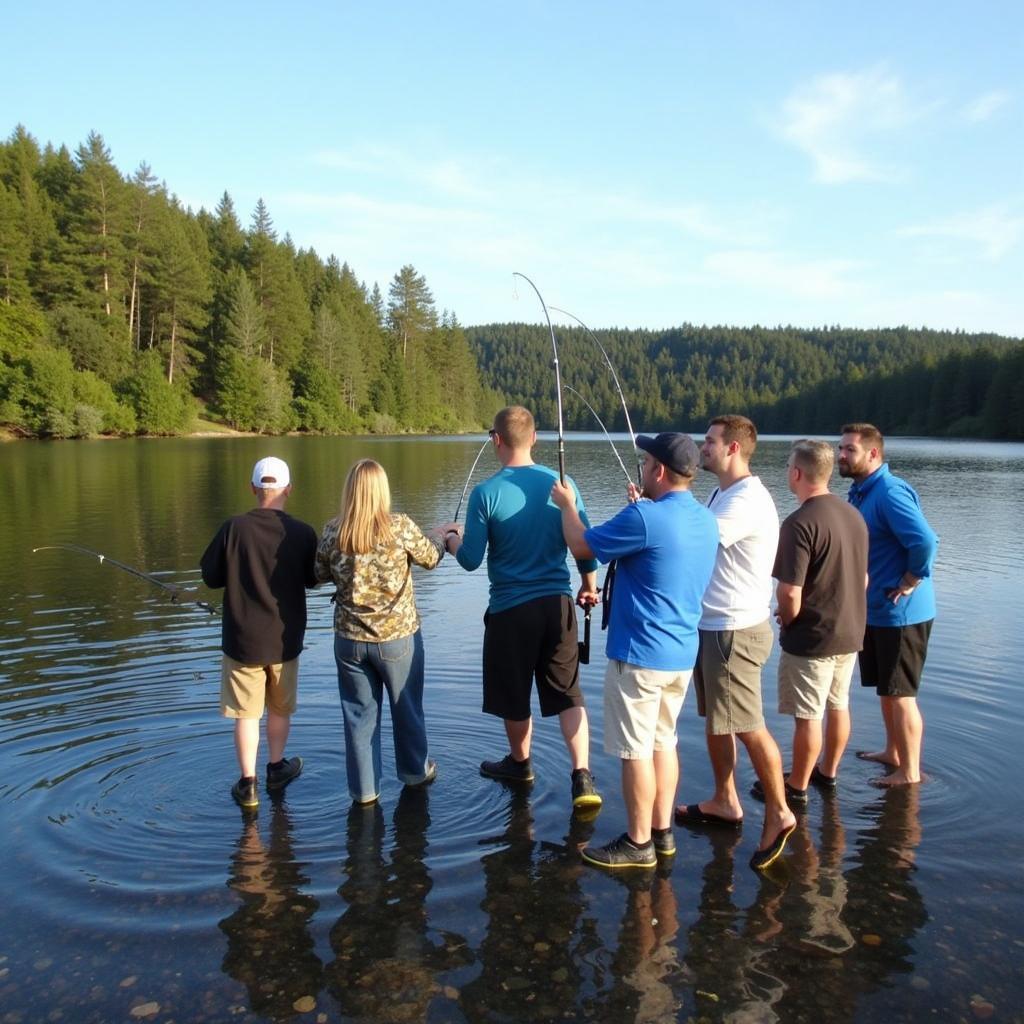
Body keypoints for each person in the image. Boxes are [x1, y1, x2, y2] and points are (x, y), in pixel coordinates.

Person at [552, 433, 718, 868]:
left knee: (636, 752)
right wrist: (641, 508)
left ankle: (638, 842)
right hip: (681, 654)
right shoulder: (704, 519)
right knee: (665, 742)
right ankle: (662, 834)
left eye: (646, 462)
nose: (643, 468)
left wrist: (568, 505)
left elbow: (583, 544)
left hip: (640, 656)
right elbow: (655, 550)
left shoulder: (646, 519)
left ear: (659, 471)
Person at [439, 405, 602, 810]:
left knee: (514, 695)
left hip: (511, 612)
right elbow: (583, 546)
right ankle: (582, 774)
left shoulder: (485, 493)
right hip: (557, 607)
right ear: (535, 437)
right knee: (568, 693)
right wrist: (588, 586)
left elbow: (471, 559)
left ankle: (520, 763)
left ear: (496, 440)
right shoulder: (564, 485)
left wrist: (450, 539)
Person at [674, 415, 797, 871]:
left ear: (732, 449)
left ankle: (781, 812)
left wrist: (659, 508)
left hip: (733, 630)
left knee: (747, 724)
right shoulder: (720, 492)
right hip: (713, 626)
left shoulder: (745, 500)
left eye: (709, 442)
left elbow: (694, 540)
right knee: (719, 721)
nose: (701, 448)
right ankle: (725, 800)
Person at [315, 459, 444, 804]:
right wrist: (443, 536)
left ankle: (364, 793)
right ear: (382, 491)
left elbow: (316, 574)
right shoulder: (399, 527)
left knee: (359, 718)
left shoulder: (333, 531)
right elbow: (431, 558)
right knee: (408, 708)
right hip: (397, 640)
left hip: (349, 643)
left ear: (350, 492)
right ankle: (415, 773)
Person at [201, 456, 318, 810]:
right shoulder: (302, 533)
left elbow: (210, 577)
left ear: (253, 489)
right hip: (285, 641)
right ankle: (276, 768)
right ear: (289, 490)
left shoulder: (233, 528)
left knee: (246, 714)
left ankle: (248, 784)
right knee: (280, 709)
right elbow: (313, 579)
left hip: (241, 642)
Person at [838, 423, 938, 786]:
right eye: (841, 448)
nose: (841, 455)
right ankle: (893, 752)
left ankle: (909, 772)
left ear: (873, 454)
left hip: (902, 614)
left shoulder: (890, 492)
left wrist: (911, 580)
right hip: (878, 609)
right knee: (887, 689)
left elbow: (925, 541)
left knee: (901, 694)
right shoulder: (861, 492)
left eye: (850, 449)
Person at [770, 439, 868, 799]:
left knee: (808, 716)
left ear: (797, 473)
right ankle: (827, 773)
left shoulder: (799, 523)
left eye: (788, 466)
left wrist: (788, 618)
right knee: (838, 704)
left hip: (813, 636)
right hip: (850, 630)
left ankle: (796, 786)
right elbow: (864, 578)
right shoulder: (854, 516)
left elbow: (790, 592)